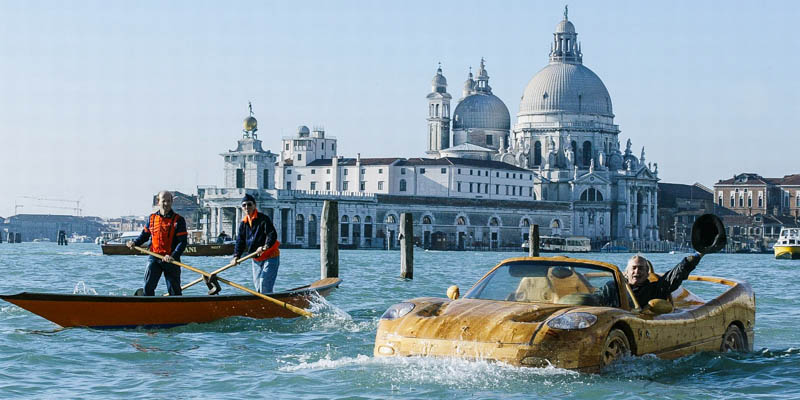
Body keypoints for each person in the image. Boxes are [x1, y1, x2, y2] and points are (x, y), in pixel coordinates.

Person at [127, 191, 188, 296]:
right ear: (158, 202)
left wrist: (173, 256)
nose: (166, 204)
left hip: (171, 260)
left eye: (169, 201)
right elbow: (144, 236)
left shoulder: (179, 220)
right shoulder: (152, 218)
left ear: (172, 202)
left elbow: (183, 242)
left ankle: (176, 308)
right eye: (164, 201)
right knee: (148, 288)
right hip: (154, 258)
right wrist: (134, 243)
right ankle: (147, 308)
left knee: (174, 291)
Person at [598, 253, 703, 308]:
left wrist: (697, 255)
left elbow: (675, 275)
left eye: (641, 268)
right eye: (633, 268)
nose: (637, 271)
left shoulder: (655, 289)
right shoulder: (611, 287)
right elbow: (596, 299)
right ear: (626, 272)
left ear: (647, 273)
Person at [232, 194, 280, 294]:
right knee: (258, 289)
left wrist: (265, 247)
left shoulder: (263, 219)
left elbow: (272, 234)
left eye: (249, 204)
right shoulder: (243, 224)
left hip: (270, 256)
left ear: (254, 205)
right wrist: (236, 256)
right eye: (244, 205)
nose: (247, 207)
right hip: (256, 258)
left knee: (264, 286)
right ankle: (262, 306)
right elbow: (240, 241)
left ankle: (268, 307)